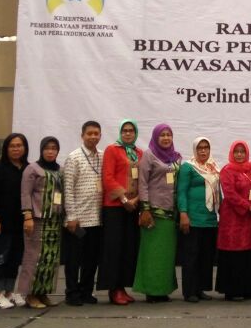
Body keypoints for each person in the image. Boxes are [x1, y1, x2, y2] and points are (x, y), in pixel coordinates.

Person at [134, 124, 181, 302]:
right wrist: (145, 209)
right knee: (152, 253)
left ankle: (162, 289)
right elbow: (142, 183)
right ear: (155, 137)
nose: (166, 138)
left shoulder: (176, 157)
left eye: (169, 135)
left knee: (166, 254)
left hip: (171, 213)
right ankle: (151, 290)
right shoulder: (149, 155)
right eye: (162, 135)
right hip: (154, 212)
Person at [17, 137, 65, 309]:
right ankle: (30, 294)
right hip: (37, 219)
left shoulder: (60, 170)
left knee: (50, 258)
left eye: (54, 148)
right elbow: (25, 193)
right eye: (47, 148)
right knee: (34, 257)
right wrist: (27, 216)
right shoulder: (32, 169)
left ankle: (43, 292)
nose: (50, 151)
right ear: (41, 150)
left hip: (54, 221)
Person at [98, 120, 142, 305]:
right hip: (115, 207)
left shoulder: (139, 153)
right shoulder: (112, 150)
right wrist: (124, 199)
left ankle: (122, 288)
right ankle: (113, 289)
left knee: (128, 248)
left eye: (131, 130)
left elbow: (142, 180)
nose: (128, 133)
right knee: (114, 248)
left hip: (133, 207)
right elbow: (107, 178)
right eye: (125, 130)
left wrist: (136, 200)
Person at [61, 121, 103, 306]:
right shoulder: (74, 157)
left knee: (91, 259)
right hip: (78, 219)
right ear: (82, 136)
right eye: (89, 133)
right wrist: (71, 216)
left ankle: (86, 291)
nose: (93, 137)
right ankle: (72, 293)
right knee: (73, 259)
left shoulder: (103, 156)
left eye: (96, 133)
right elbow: (68, 189)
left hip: (97, 219)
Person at [0, 132, 29, 309]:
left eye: (19, 145)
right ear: (6, 149)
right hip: (2, 222)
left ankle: (9, 292)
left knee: (14, 258)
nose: (16, 149)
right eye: (12, 146)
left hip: (21, 222)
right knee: (0, 257)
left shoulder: (28, 168)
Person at [216, 140, 251, 301]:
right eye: (237, 151)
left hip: (249, 219)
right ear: (232, 153)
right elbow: (229, 194)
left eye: (242, 151)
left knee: (247, 253)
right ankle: (232, 290)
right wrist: (248, 206)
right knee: (233, 252)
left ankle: (246, 288)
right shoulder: (227, 170)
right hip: (232, 218)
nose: (240, 154)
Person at [178, 137, 220, 302]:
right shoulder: (188, 167)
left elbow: (218, 193)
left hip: (209, 218)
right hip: (193, 218)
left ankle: (200, 288)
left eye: (206, 147)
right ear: (195, 150)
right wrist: (183, 213)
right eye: (200, 148)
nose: (203, 151)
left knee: (205, 256)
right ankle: (190, 292)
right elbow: (181, 192)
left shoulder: (213, 167)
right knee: (191, 256)